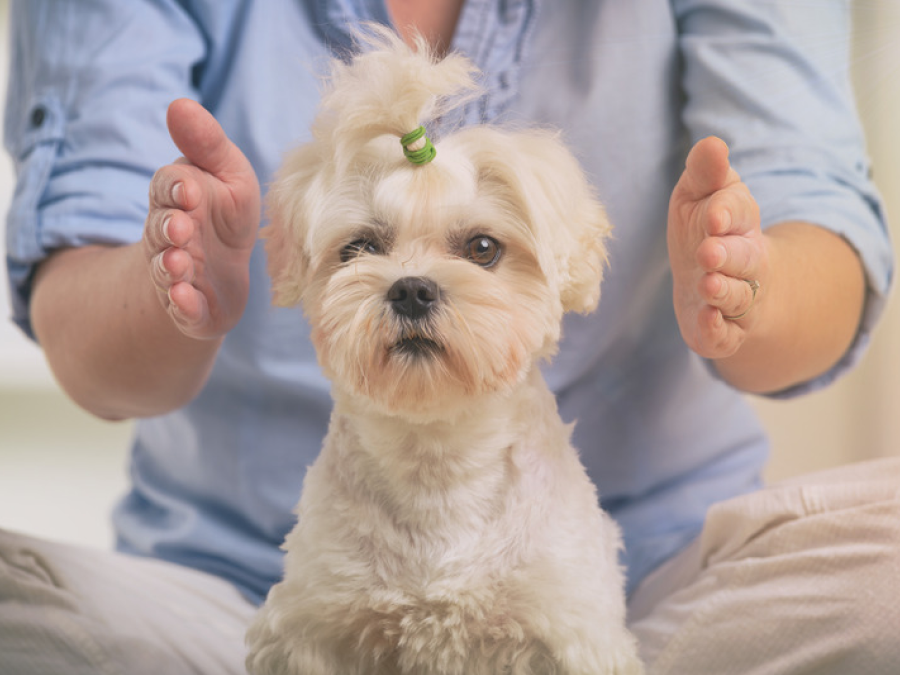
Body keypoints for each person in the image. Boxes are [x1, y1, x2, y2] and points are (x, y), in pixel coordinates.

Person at [1, 1, 897, 673]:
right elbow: (86, 324)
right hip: (222, 586)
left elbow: (814, 212)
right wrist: (176, 285)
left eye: (478, 247)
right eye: (362, 247)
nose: (413, 283)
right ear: (305, 271)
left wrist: (751, 283)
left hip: (670, 584)